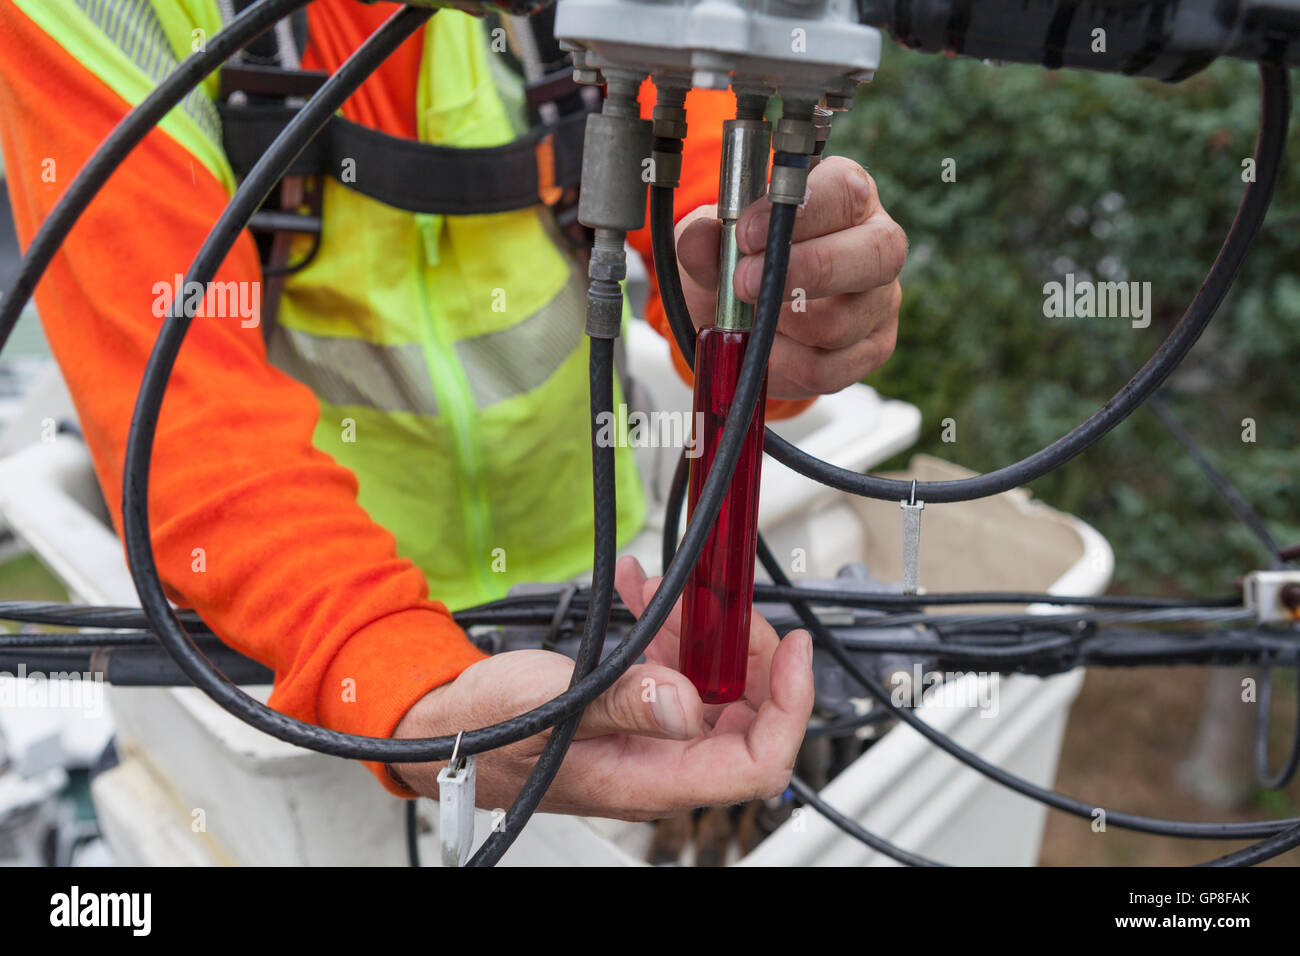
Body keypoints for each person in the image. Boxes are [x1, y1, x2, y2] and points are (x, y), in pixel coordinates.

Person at [0, 0, 906, 820]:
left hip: (608, 606)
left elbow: (713, 225)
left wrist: (793, 311)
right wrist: (404, 683)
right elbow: (183, 413)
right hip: (294, 666)